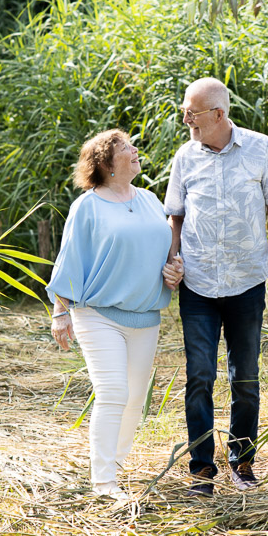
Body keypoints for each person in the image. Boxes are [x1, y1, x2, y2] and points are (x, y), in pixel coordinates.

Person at [164, 78, 268, 497]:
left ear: (218, 114)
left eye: (192, 112)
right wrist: (172, 260)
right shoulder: (184, 157)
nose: (186, 118)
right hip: (198, 285)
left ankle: (242, 462)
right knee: (199, 375)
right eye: (186, 111)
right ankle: (202, 470)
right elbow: (176, 218)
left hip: (246, 282)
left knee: (246, 377)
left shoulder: (260, 148)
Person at [48, 129, 184, 501]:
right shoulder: (87, 207)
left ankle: (116, 465)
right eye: (126, 147)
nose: (135, 150)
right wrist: (61, 313)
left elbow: (165, 254)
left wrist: (175, 270)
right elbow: (69, 261)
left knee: (136, 399)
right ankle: (104, 481)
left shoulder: (151, 200)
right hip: (97, 313)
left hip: (145, 316)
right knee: (113, 393)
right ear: (107, 164)